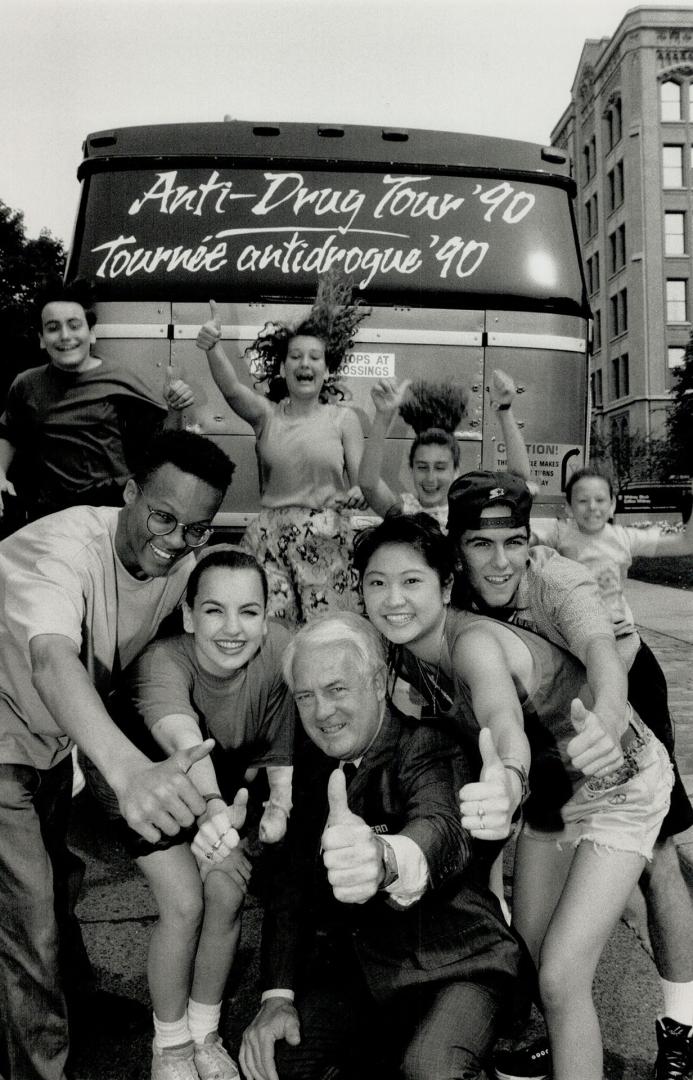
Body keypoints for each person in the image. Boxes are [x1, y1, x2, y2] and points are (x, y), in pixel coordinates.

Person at [353, 511, 673, 1080]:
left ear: (445, 586)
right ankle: (554, 1045)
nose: (392, 598)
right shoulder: (402, 650)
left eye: (411, 581)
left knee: (560, 976)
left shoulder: (472, 642)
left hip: (619, 783)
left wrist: (507, 777)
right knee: (520, 955)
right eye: (377, 582)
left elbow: (504, 725)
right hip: (555, 793)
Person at [0, 428, 234, 1080]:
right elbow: (50, 655)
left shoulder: (182, 565)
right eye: (163, 515)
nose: (176, 538)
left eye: (195, 527)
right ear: (129, 493)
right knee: (27, 928)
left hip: (46, 740)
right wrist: (125, 769)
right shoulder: (63, 547)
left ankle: (62, 1011)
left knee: (53, 896)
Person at [444, 470, 689, 1080]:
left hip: (624, 705)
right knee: (533, 947)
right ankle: (558, 1033)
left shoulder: (557, 579)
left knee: (658, 867)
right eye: (481, 543)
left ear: (531, 540)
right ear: (458, 548)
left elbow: (604, 656)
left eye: (515, 542)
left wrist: (606, 721)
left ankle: (684, 1026)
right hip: (549, 743)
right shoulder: (451, 593)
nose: (501, 562)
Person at [239, 613, 522, 1080]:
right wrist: (277, 998)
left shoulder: (427, 746)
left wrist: (386, 859)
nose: (321, 712)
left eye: (336, 690)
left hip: (457, 964)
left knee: (432, 1067)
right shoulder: (314, 763)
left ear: (375, 683)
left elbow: (440, 828)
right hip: (361, 972)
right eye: (305, 696)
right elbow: (289, 890)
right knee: (275, 1062)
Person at [528, 465, 693, 1078]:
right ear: (567, 506)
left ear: (614, 504)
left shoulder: (622, 539)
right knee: (572, 863)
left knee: (663, 860)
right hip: (580, 696)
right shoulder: (545, 544)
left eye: (603, 499)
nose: (593, 507)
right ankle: (568, 1020)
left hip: (629, 683)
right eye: (582, 498)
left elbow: (679, 538)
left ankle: (682, 1026)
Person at [126, 546, 295, 1080]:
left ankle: (204, 1033)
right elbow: (182, 738)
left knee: (226, 891)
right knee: (184, 902)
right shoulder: (162, 661)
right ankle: (169, 1046)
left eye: (248, 612)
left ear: (266, 618)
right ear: (188, 615)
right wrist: (214, 809)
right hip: (147, 785)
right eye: (214, 610)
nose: (232, 628)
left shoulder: (282, 651)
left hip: (222, 792)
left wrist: (280, 807)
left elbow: (282, 753)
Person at [196, 271, 369, 627]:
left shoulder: (344, 419)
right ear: (283, 365)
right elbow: (231, 389)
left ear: (327, 368)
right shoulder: (265, 415)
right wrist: (213, 348)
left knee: (329, 633)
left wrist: (355, 493)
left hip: (327, 539)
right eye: (295, 356)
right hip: (268, 541)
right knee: (273, 633)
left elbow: (363, 483)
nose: (305, 363)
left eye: (314, 357)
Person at [0, 277, 195, 527]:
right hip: (52, 513)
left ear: (91, 333)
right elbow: (9, 432)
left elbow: (163, 444)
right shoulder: (26, 384)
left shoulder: (122, 380)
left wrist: (175, 408)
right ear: (41, 338)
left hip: (110, 507)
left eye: (74, 325)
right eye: (52, 327)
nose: (65, 336)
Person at [358, 369, 529, 530]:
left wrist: (504, 410)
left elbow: (518, 480)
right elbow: (369, 485)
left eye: (440, 467)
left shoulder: (471, 510)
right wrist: (383, 415)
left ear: (456, 471)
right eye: (422, 467)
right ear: (411, 469)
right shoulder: (404, 512)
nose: (430, 478)